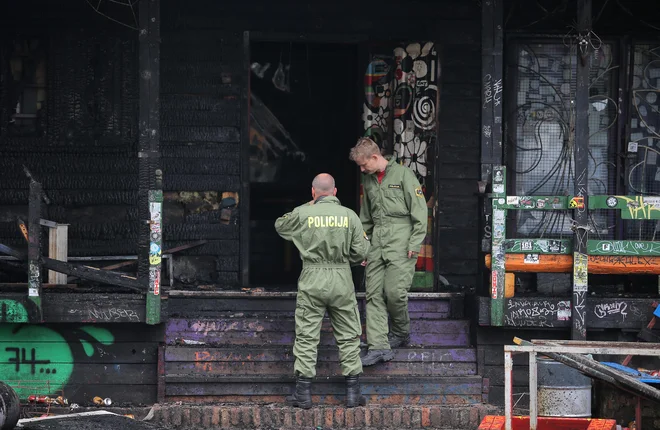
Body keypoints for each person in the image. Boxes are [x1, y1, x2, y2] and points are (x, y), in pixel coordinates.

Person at [274, 173, 370, 409]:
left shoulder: (303, 213)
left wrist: (309, 206)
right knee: (348, 335)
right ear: (335, 192)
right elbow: (361, 252)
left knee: (307, 335)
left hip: (312, 277)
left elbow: (280, 225)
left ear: (313, 192)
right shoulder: (350, 215)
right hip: (341, 278)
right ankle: (352, 394)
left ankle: (303, 395)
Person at [349, 137, 428, 367]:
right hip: (376, 243)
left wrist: (414, 244)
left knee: (394, 293)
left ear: (375, 157)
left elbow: (420, 212)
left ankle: (401, 331)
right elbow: (365, 219)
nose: (362, 170)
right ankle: (379, 347)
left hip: (401, 242)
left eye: (364, 165)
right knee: (373, 295)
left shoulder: (404, 175)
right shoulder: (369, 181)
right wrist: (363, 249)